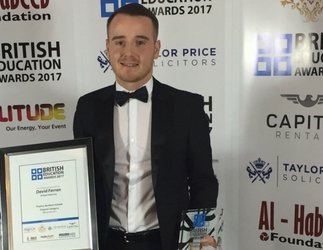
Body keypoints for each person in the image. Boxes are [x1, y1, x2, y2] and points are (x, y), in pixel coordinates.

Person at [73, 3, 218, 250]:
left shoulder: (187, 107)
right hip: (105, 242)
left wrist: (197, 233)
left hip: (167, 241)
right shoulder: (88, 107)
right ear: (107, 48)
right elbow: (81, 182)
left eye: (140, 42)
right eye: (120, 42)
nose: (129, 52)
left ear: (156, 48)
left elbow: (203, 181)